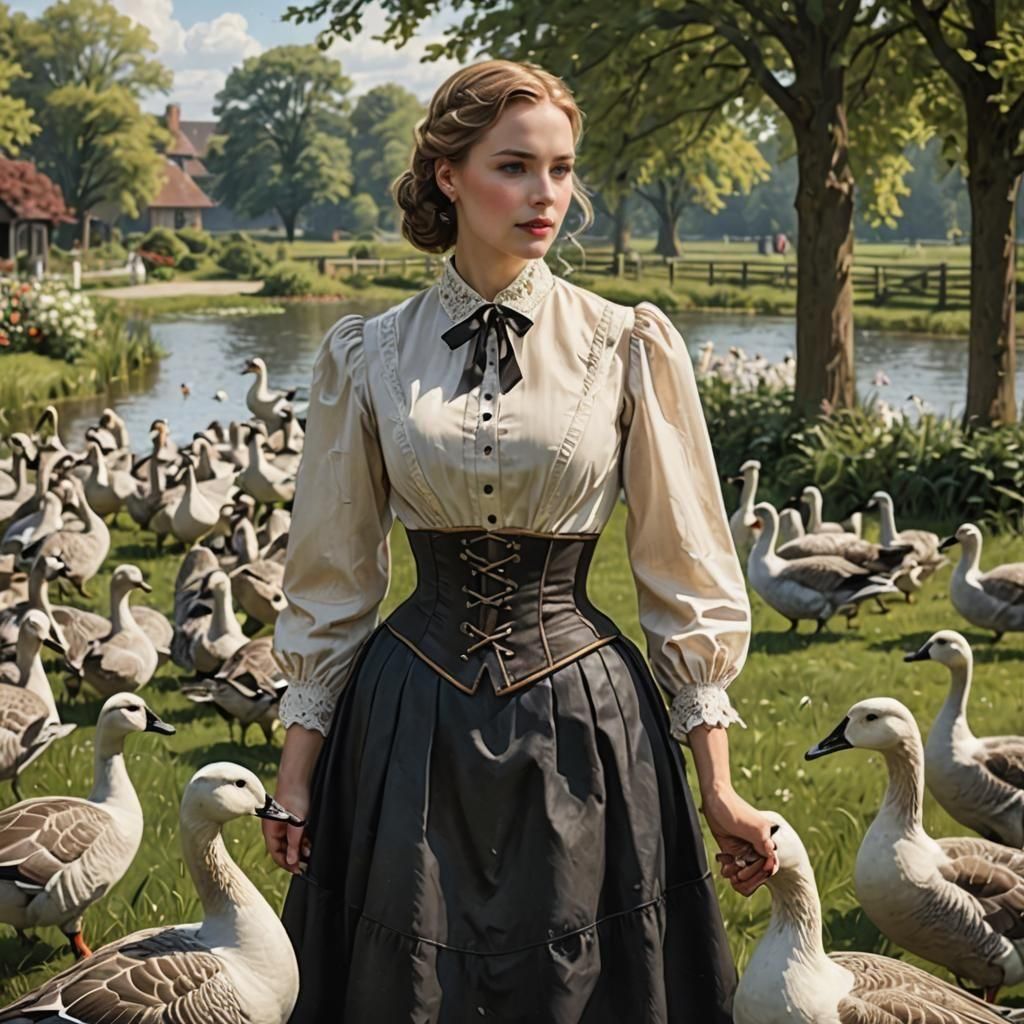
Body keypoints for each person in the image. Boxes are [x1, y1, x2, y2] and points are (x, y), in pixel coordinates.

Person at [263, 58, 777, 1023]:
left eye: (562, 169)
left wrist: (718, 784)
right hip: (408, 725)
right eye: (515, 166)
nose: (546, 195)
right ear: (448, 176)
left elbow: (685, 571)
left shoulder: (626, 344)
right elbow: (331, 577)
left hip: (582, 727)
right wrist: (297, 772)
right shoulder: (368, 353)